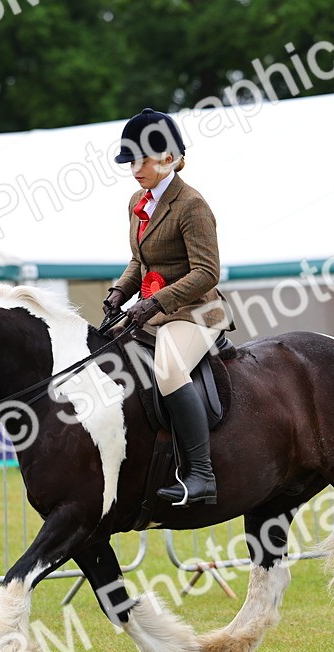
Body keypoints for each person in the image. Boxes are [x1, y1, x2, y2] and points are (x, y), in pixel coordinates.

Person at [103, 108, 235, 506]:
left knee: (169, 367)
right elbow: (141, 261)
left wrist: (155, 302)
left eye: (141, 160)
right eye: (130, 161)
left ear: (168, 158)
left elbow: (207, 272)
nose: (134, 169)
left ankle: (201, 475)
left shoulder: (191, 205)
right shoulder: (137, 202)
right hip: (155, 309)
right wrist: (118, 292)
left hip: (201, 310)